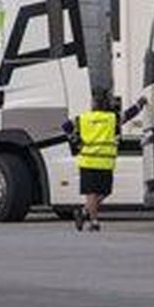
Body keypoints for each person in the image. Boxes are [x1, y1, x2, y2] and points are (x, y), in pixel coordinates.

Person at [67, 89, 121, 232]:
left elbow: (65, 126)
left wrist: (75, 141)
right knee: (103, 192)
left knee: (92, 192)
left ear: (93, 104)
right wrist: (140, 104)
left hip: (87, 161)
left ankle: (85, 212)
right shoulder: (113, 118)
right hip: (105, 162)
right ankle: (93, 221)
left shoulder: (82, 118)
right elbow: (129, 114)